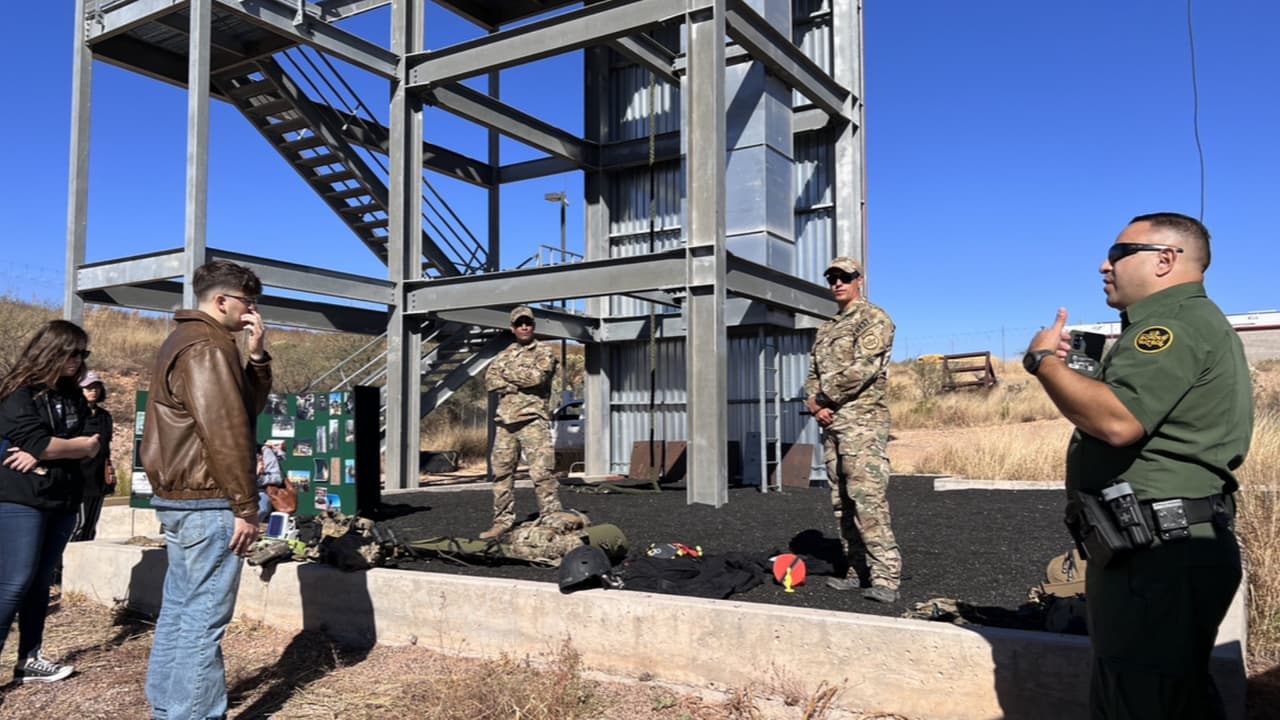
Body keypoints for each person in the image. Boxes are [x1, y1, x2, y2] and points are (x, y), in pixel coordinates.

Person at [1024, 212, 1251, 719]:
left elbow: (1118, 421)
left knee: (1138, 700)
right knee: (1170, 696)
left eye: (1120, 253)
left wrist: (1044, 363)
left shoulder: (1169, 326)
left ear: (1166, 260)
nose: (1105, 265)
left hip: (1157, 557)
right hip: (1159, 549)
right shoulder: (1182, 324)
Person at [141, 260, 272, 719]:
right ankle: (191, 713)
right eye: (247, 303)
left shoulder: (189, 341)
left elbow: (241, 408)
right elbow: (227, 431)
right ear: (222, 301)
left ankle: (170, 707)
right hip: (208, 499)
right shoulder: (207, 346)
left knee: (180, 609)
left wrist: (256, 355)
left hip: (185, 498)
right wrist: (246, 506)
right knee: (203, 619)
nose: (252, 312)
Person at [0, 320, 101, 683]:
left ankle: (29, 658)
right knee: (14, 581)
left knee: (41, 582)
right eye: (71, 352)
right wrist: (51, 448)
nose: (77, 360)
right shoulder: (19, 392)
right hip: (20, 499)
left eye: (82, 353)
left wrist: (46, 452)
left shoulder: (73, 394)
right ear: (49, 351)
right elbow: (40, 441)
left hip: (62, 498)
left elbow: (93, 441)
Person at [804, 257, 901, 603]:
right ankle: (856, 570)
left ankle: (886, 576)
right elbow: (813, 372)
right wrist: (815, 403)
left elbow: (864, 369)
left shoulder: (874, 319)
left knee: (868, 500)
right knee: (842, 501)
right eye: (832, 277)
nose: (837, 283)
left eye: (845, 277)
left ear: (859, 279)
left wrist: (823, 397)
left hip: (863, 425)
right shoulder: (826, 328)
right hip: (833, 425)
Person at [480, 306, 563, 539]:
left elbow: (536, 378)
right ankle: (503, 521)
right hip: (506, 422)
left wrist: (507, 377)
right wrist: (514, 380)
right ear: (512, 328)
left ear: (533, 326)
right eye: (519, 324)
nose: (524, 327)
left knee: (542, 474)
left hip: (532, 421)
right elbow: (490, 380)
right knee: (501, 474)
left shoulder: (545, 352)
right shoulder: (505, 354)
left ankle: (551, 519)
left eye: (527, 323)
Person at [73, 370, 115, 542]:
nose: (93, 391)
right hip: (78, 479)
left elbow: (106, 448)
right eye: (88, 387)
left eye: (96, 387)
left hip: (98, 479)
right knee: (78, 524)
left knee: (91, 525)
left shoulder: (105, 416)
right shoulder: (74, 414)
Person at [256, 442, 283, 522]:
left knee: (261, 509)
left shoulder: (264, 451)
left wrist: (258, 478)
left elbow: (277, 478)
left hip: (260, 492)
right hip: (233, 494)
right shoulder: (227, 450)